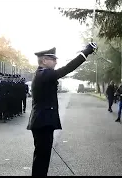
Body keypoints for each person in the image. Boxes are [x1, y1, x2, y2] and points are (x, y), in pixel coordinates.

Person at [26, 42, 97, 176]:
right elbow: (67, 68)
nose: (56, 63)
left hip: (43, 122)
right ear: (44, 60)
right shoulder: (43, 74)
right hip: (43, 122)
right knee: (42, 158)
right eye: (53, 59)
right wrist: (85, 52)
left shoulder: (43, 74)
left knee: (42, 157)